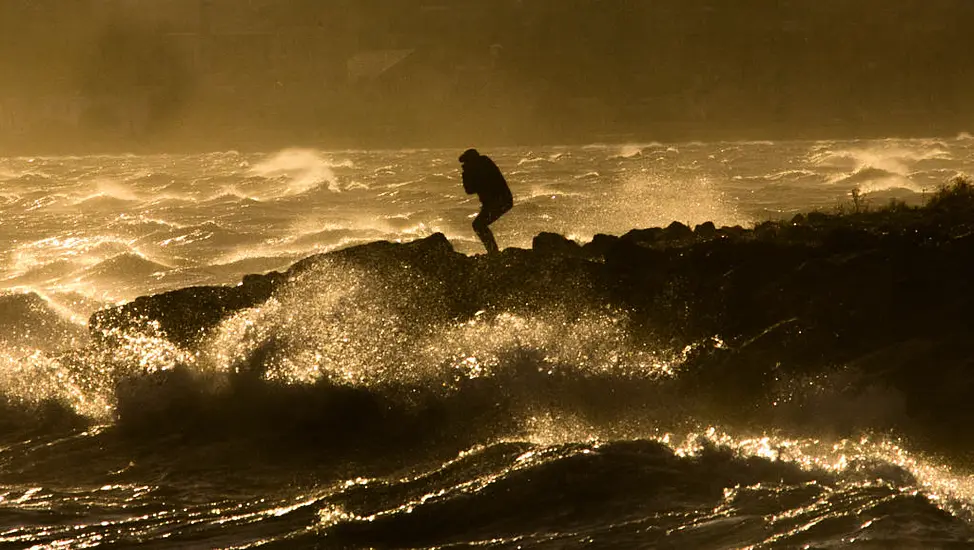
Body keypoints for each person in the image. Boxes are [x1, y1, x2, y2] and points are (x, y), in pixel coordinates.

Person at [459, 148, 513, 254]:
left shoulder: (482, 166)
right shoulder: (484, 163)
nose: (465, 165)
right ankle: (493, 251)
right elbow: (471, 190)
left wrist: (466, 175)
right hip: (501, 201)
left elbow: (470, 189)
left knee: (479, 225)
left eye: (467, 162)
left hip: (501, 201)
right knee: (479, 225)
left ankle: (493, 252)